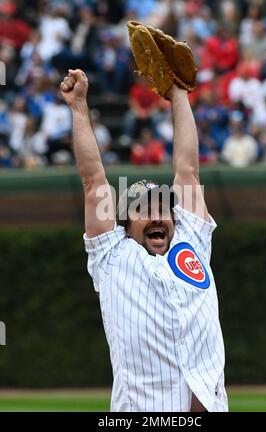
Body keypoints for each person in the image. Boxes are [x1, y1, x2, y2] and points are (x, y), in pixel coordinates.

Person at [60, 67, 228, 412]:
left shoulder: (191, 240)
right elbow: (93, 181)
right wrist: (78, 107)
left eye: (163, 207)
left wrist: (178, 93)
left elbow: (188, 170)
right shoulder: (112, 257)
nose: (156, 216)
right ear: (124, 224)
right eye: (142, 209)